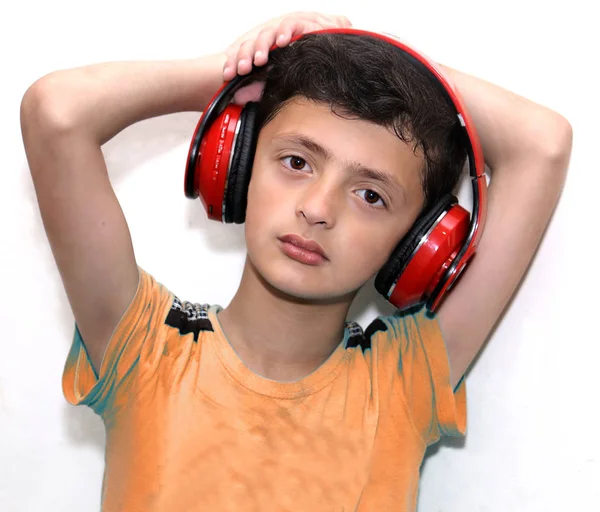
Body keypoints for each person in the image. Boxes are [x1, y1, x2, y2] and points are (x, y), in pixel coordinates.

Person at [20, 11, 572, 512]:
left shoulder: (405, 379)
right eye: (296, 161)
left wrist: (367, 52)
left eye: (371, 195)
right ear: (235, 165)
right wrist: (234, 73)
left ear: (417, 245)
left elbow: (541, 143)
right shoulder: (144, 348)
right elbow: (57, 112)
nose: (317, 208)